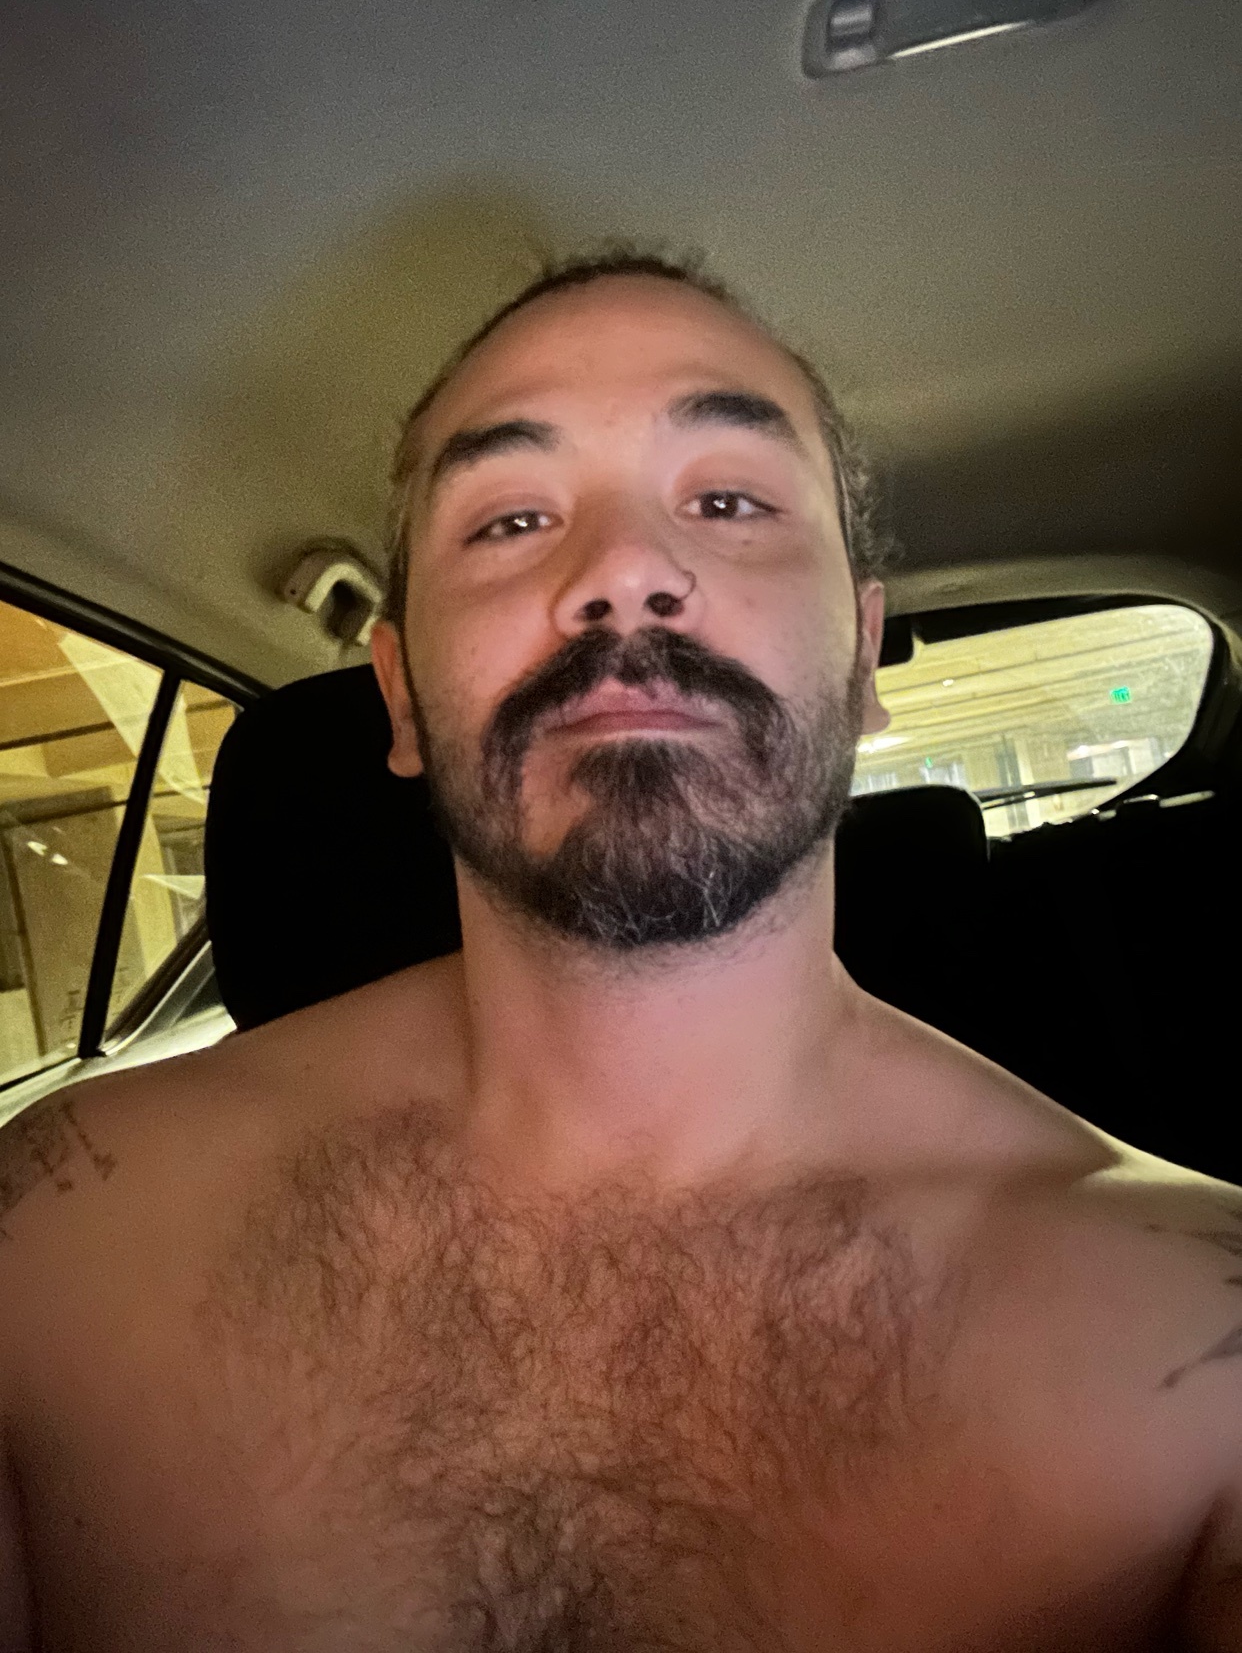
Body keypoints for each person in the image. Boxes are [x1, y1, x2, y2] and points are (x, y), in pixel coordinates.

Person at [1, 250, 1239, 1652]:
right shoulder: (60, 1245)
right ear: (400, 697)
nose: (625, 570)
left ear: (861, 658)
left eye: (728, 502)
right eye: (512, 519)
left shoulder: (1194, 1342)